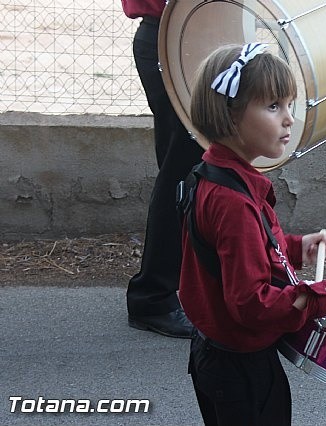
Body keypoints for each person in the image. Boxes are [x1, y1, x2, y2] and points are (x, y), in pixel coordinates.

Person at [178, 43, 326, 425]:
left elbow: (236, 253)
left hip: (218, 355)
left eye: (289, 105)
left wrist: (296, 248)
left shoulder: (216, 175)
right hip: (240, 367)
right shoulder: (234, 202)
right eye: (273, 106)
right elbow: (252, 304)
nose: (288, 120)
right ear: (231, 116)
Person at [122, 0, 204, 338]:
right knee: (181, 174)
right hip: (174, 39)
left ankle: (190, 286)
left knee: (189, 171)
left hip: (192, 36)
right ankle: (153, 297)